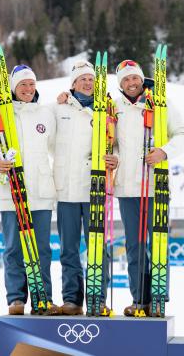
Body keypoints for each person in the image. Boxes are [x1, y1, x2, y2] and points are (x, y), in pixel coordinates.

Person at [0, 64, 60, 316]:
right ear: (13, 87)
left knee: (42, 248)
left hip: (40, 192)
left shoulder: (46, 113)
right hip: (10, 192)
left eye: (31, 84)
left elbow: (59, 147)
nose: (28, 88)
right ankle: (16, 298)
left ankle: (42, 297)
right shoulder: (0, 114)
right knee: (13, 248)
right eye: (22, 84)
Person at [110, 59, 184, 316]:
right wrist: (111, 156)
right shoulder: (114, 107)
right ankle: (139, 299)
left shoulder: (160, 102)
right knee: (134, 246)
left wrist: (163, 152)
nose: (131, 83)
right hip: (128, 189)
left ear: (141, 79)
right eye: (126, 80)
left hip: (155, 187)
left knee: (157, 244)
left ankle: (157, 297)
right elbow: (110, 140)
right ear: (120, 84)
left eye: (135, 78)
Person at [53, 60, 115, 316]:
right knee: (68, 248)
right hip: (66, 191)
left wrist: (116, 157)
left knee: (98, 247)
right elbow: (42, 135)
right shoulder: (59, 109)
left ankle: (97, 298)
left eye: (91, 79)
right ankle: (72, 300)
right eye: (82, 79)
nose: (88, 83)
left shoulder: (109, 109)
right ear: (73, 83)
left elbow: (118, 142)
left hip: (95, 188)